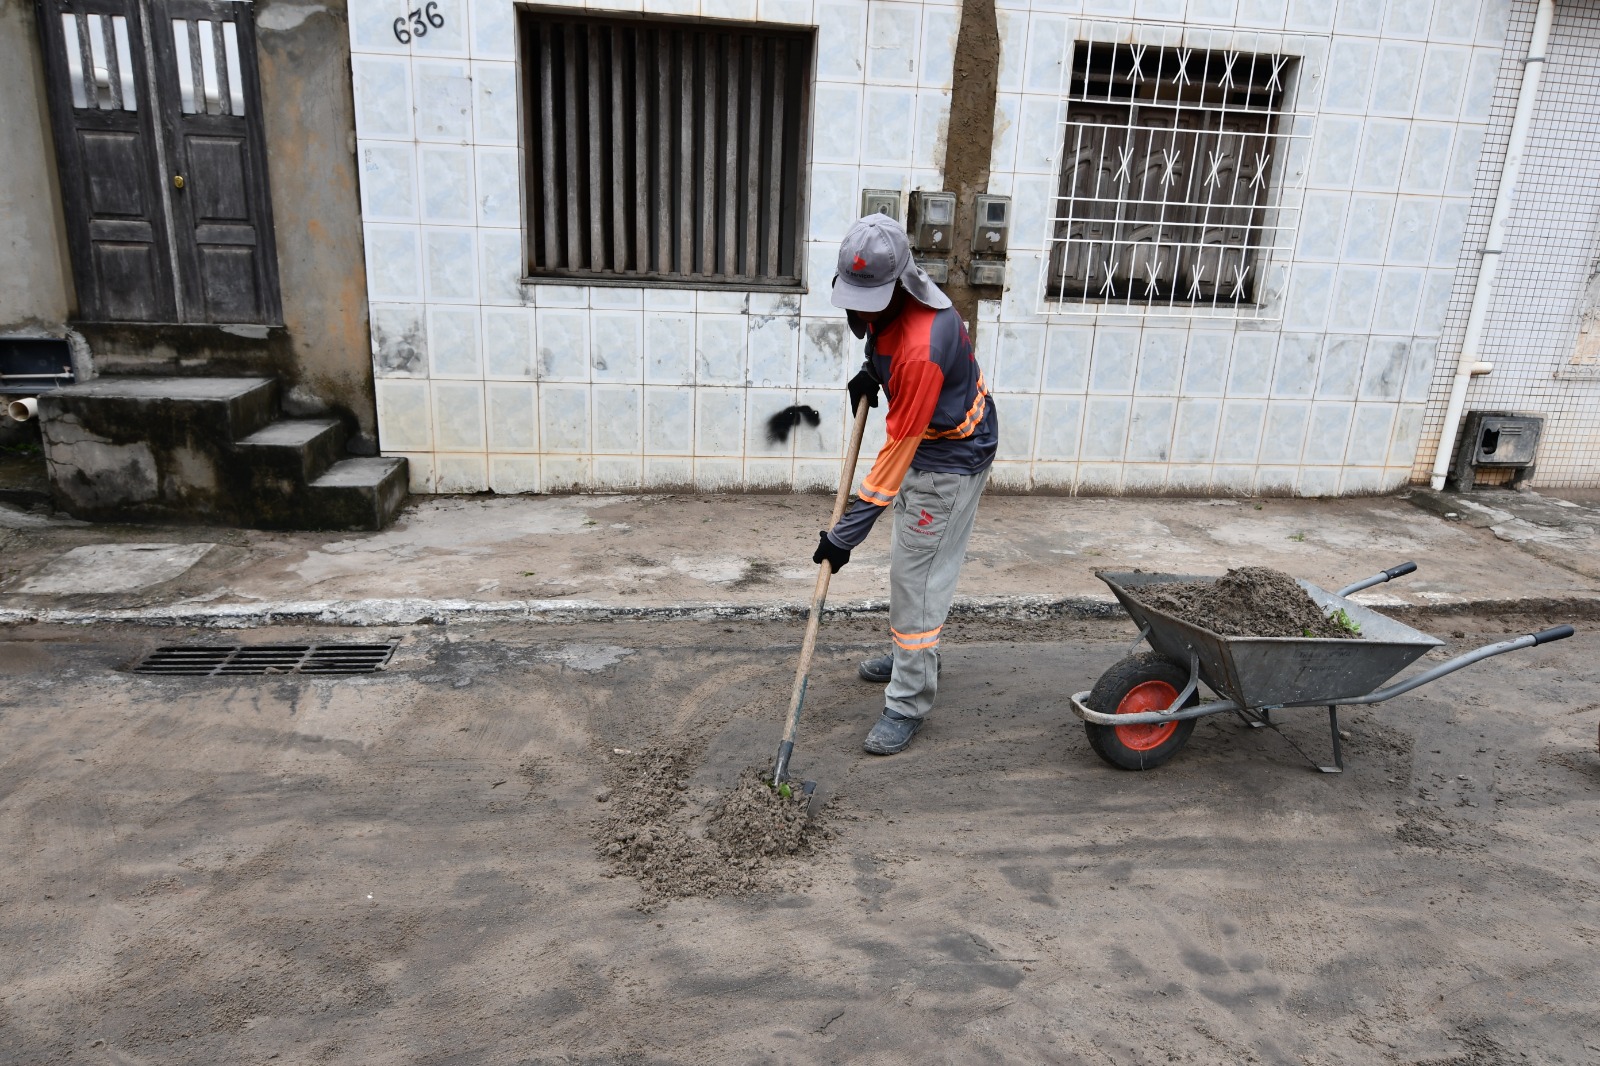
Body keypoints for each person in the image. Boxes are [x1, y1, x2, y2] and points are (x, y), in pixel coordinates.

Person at [812, 213, 999, 755]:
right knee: (912, 566)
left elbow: (894, 460)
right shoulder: (899, 302)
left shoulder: (922, 348)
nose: (861, 311)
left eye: (869, 299)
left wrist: (845, 536)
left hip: (949, 458)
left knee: (916, 579)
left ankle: (908, 700)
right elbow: (884, 338)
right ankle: (909, 657)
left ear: (899, 283)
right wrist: (873, 371)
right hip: (932, 439)